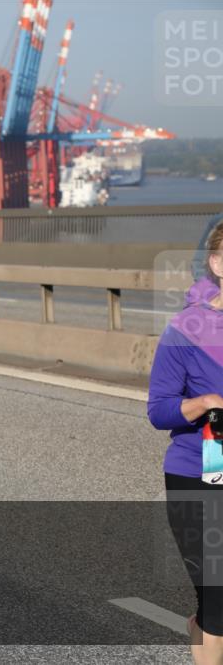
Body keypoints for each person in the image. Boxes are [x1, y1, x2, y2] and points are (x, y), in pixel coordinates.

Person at [147, 219, 223, 664]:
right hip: (200, 471)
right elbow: (158, 410)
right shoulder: (186, 329)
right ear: (217, 263)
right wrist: (206, 403)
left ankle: (201, 626)